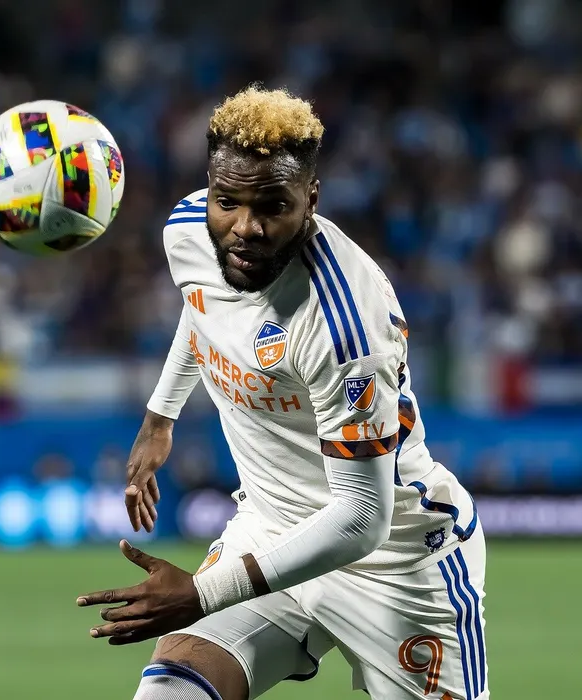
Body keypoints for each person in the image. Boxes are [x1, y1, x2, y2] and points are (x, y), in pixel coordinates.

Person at [78, 85, 488, 700]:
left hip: (396, 565)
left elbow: (362, 518)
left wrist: (203, 593)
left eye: (273, 206)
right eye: (227, 202)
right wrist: (161, 416)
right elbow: (204, 308)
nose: (245, 228)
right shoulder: (190, 232)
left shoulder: (345, 325)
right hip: (270, 531)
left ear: (310, 200)